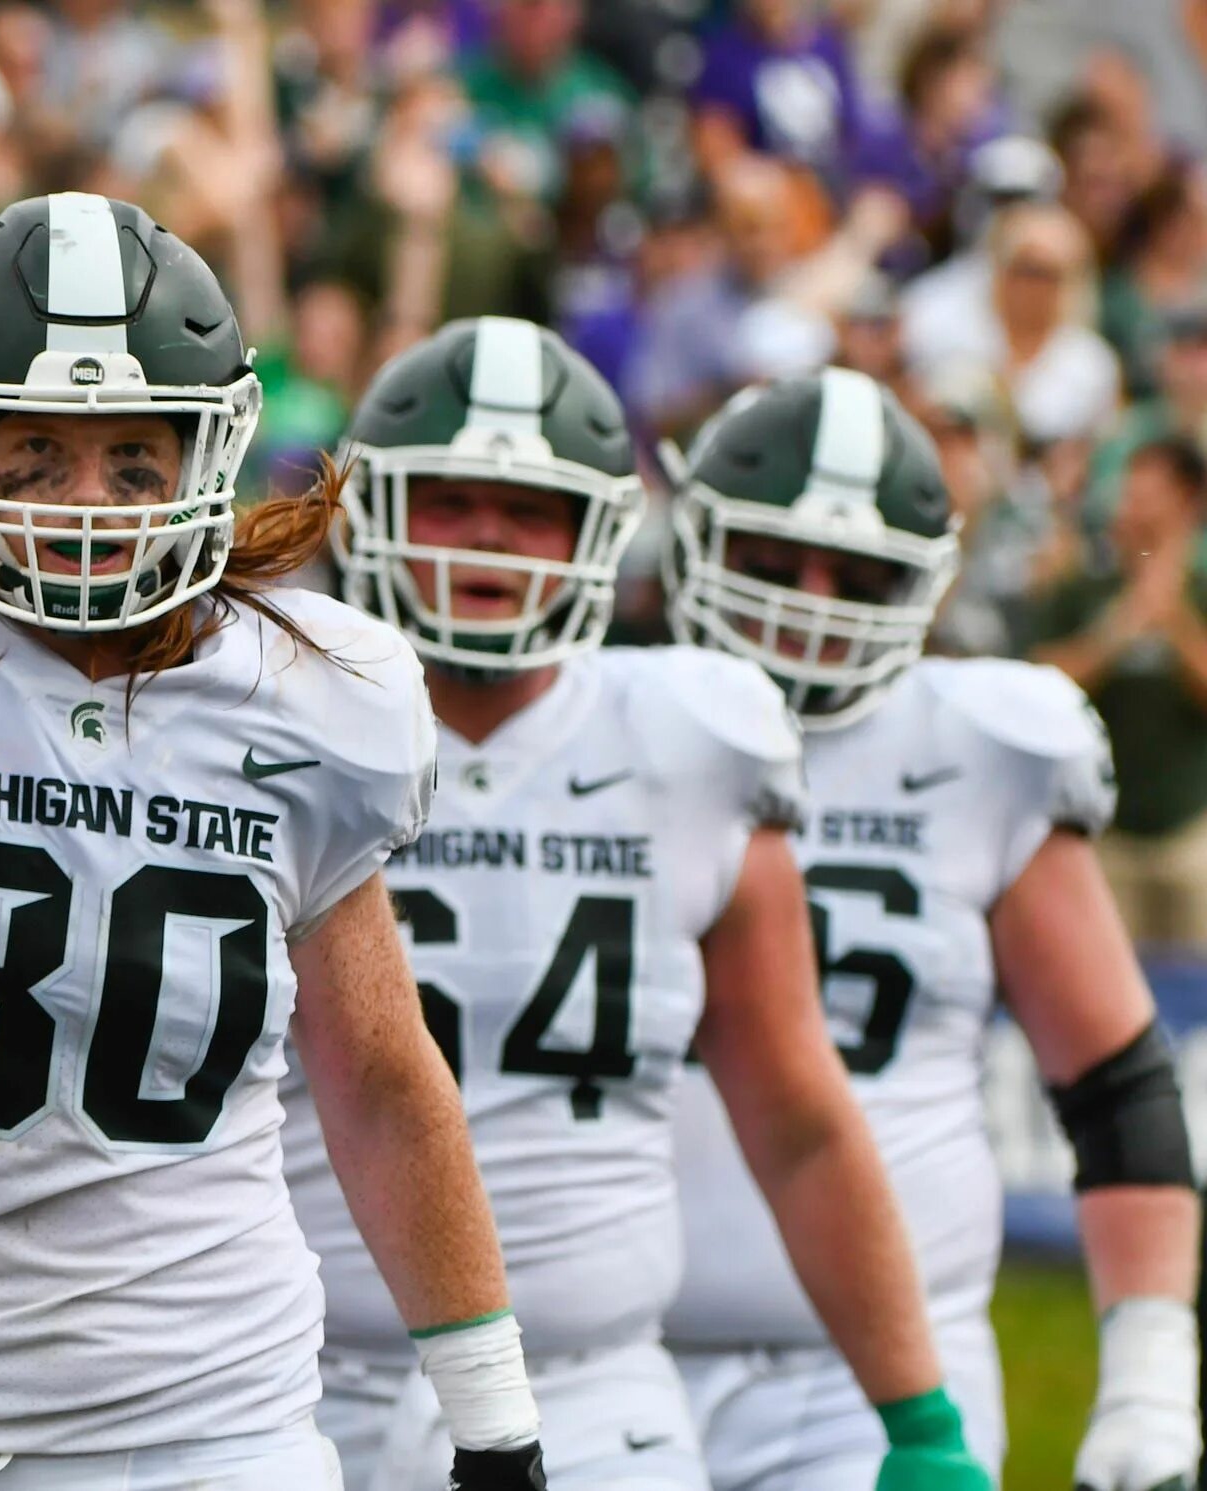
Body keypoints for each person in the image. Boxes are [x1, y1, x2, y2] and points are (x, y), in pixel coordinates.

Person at [0, 191, 547, 1491]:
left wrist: (491, 1410)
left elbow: (377, 1069)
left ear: (209, 452)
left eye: (134, 456)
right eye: (35, 452)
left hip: (216, 1426)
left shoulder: (309, 685)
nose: (87, 500)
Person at [293, 323, 995, 1491]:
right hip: (303, 1378)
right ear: (372, 514)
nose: (487, 539)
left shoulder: (689, 736)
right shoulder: (273, 711)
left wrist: (920, 1418)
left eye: (528, 509)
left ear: (600, 530)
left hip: (590, 1388)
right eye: (451, 500)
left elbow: (799, 1116)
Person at [665, 369, 1202, 1490]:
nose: (809, 602)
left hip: (880, 1379)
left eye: (854, 577)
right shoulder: (598, 715)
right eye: (772, 564)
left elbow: (1116, 1083)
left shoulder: (983, 746)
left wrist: (1151, 1368)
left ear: (925, 582)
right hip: (602, 1361)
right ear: (699, 539)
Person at [1028, 436, 1207, 951]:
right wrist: (1119, 630)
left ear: (1187, 500)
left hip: (1191, 829)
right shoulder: (1084, 586)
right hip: (1105, 830)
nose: (1133, 501)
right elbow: (1042, 685)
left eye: (1150, 491)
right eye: (1131, 487)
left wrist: (1172, 616)